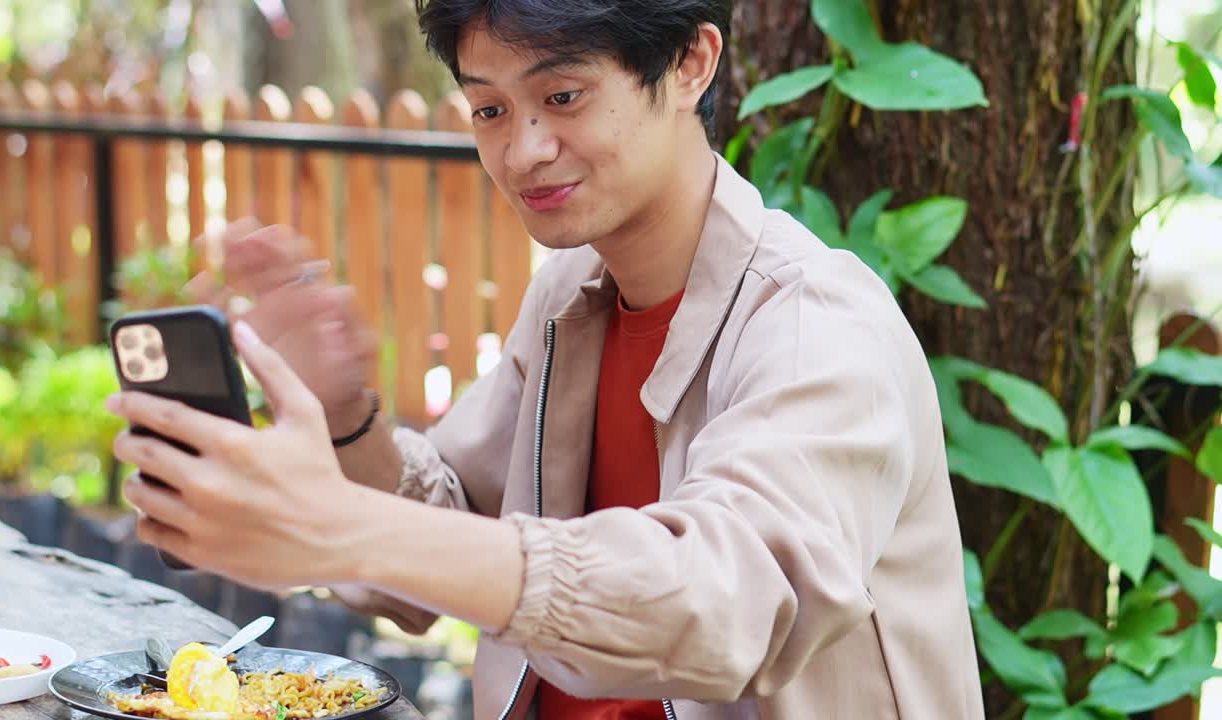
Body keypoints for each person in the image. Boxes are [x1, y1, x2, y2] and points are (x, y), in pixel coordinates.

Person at [105, 1, 985, 718]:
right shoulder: (572, 293)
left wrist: (332, 523)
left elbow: (721, 601)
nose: (522, 151)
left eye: (562, 96)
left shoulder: (817, 325)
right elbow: (448, 527)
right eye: (490, 109)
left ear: (690, 63)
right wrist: (345, 417)